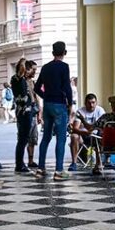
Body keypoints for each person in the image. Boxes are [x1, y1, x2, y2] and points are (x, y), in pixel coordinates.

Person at [34, 41, 74, 181]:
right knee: (61, 138)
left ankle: (40, 169)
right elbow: (67, 87)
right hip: (59, 105)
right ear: (64, 52)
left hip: (48, 105)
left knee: (46, 138)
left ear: (52, 53)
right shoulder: (64, 67)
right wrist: (70, 104)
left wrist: (47, 96)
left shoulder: (45, 68)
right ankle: (58, 171)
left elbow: (36, 87)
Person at [69, 93, 106, 173]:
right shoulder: (80, 111)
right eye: (89, 103)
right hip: (83, 137)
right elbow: (75, 128)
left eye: (93, 102)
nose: (91, 105)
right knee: (74, 136)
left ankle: (98, 164)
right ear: (85, 103)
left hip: (96, 136)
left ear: (96, 102)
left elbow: (102, 127)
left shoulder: (100, 111)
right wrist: (85, 132)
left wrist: (90, 128)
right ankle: (74, 163)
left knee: (102, 135)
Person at [11, 58, 34, 172]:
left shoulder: (21, 79)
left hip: (25, 111)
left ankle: (20, 163)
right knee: (23, 139)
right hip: (24, 112)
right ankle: (19, 164)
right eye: (28, 68)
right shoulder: (18, 78)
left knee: (23, 138)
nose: (30, 71)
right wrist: (23, 64)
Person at [25, 60, 41, 168]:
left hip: (34, 113)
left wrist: (39, 113)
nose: (35, 72)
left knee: (33, 138)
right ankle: (23, 161)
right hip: (26, 113)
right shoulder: (22, 82)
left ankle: (31, 160)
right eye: (33, 69)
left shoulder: (33, 82)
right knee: (25, 138)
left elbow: (37, 97)